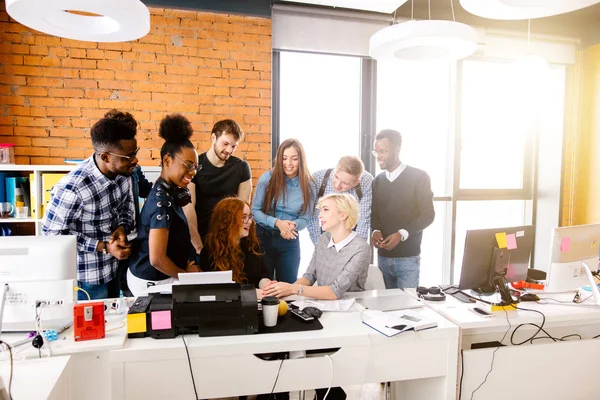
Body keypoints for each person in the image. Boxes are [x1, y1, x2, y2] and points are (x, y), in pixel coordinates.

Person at [42, 118, 137, 300]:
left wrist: (122, 227)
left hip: (114, 267)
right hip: (88, 277)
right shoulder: (73, 188)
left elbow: (126, 204)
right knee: (92, 327)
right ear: (106, 157)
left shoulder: (124, 173)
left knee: (113, 324)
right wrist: (104, 247)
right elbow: (51, 234)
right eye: (128, 156)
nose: (135, 160)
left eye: (135, 152)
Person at [127, 114, 200, 297]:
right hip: (151, 281)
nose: (192, 172)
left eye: (196, 168)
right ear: (167, 161)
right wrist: (185, 276)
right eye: (188, 165)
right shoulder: (162, 203)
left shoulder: (170, 192)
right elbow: (157, 259)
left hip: (163, 275)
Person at [262, 193, 370, 301]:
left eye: (326, 210)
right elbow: (310, 276)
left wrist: (292, 288)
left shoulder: (361, 248)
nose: (320, 215)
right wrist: (282, 290)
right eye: (321, 210)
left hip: (351, 309)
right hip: (324, 305)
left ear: (343, 215)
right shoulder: (324, 238)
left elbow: (334, 292)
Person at [371, 129, 435, 290]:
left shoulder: (419, 177)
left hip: (408, 259)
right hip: (383, 259)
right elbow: (375, 214)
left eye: (383, 151)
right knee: (385, 310)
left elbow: (428, 214)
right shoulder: (378, 181)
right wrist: (375, 231)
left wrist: (401, 234)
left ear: (396, 150)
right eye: (376, 151)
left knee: (407, 309)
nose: (379, 156)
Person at [183, 119, 252, 256]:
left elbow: (243, 209)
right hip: (199, 237)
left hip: (229, 240)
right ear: (213, 137)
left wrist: (232, 243)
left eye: (233, 146)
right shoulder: (196, 167)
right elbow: (189, 207)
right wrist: (197, 245)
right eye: (225, 144)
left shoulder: (242, 168)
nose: (229, 150)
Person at [104, 109, 153, 296]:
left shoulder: (133, 168)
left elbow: (144, 189)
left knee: (130, 289)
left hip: (134, 237)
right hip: (111, 243)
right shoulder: (106, 172)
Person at [252, 139, 315, 283]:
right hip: (263, 238)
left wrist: (290, 226)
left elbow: (305, 218)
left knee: (288, 288)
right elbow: (255, 211)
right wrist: (278, 223)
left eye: (294, 159)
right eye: (284, 158)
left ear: (301, 160)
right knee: (264, 286)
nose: (288, 163)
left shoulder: (309, 185)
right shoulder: (267, 179)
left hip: (289, 242)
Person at [198, 197, 271, 292]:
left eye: (249, 216)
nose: (249, 221)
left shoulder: (254, 246)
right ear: (227, 221)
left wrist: (267, 285)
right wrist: (251, 293)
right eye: (244, 217)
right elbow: (217, 289)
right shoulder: (210, 251)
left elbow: (263, 275)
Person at [308, 156, 373, 245]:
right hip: (326, 230)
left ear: (356, 183)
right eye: (336, 177)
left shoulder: (366, 181)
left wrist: (357, 249)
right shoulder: (318, 178)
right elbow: (312, 217)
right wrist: (320, 245)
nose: (337, 185)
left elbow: (364, 219)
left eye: (345, 183)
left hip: (352, 230)